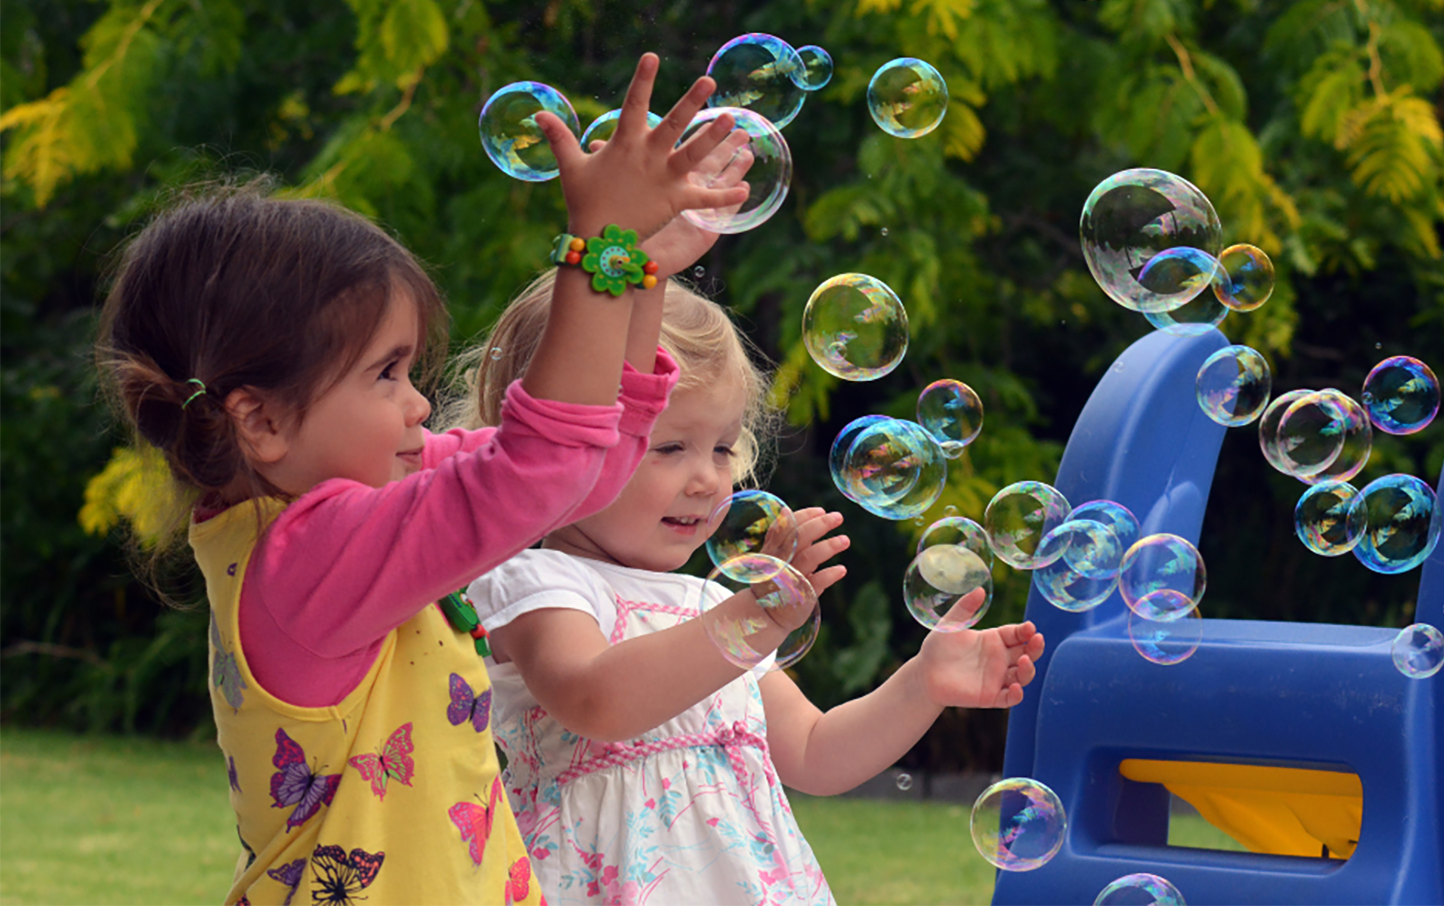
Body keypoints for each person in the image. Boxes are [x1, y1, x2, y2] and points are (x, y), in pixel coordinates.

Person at [95, 54, 751, 906]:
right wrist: (599, 251)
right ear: (261, 422)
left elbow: (584, 478)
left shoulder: (357, 518)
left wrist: (639, 279)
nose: (416, 405)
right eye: (386, 373)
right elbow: (540, 468)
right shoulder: (307, 555)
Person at [460, 266, 1048, 905]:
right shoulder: (537, 585)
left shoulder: (713, 603)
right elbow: (597, 701)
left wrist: (922, 682)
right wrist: (753, 620)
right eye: (670, 448)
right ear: (557, 444)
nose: (708, 479)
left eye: (721, 449)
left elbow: (816, 753)